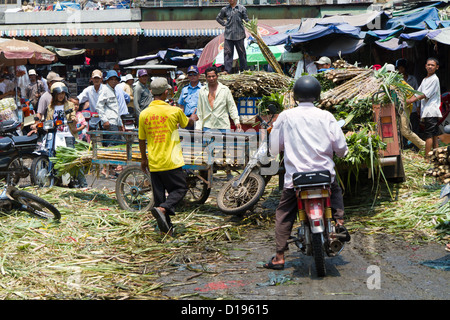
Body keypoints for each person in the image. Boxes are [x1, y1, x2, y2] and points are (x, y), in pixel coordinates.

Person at [264, 75, 349, 270]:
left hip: (296, 178)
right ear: (317, 95)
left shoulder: (286, 116)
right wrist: (341, 153)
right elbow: (342, 149)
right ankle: (339, 222)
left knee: (284, 213)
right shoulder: (326, 116)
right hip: (324, 176)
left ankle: (279, 257)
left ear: (296, 95)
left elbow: (275, 148)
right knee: (336, 192)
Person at [138, 77, 198, 235]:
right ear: (166, 92)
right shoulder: (174, 111)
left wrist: (144, 159)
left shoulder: (144, 114)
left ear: (151, 92)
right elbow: (187, 124)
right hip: (172, 161)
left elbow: (141, 139)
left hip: (155, 161)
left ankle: (166, 230)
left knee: (159, 197)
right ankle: (163, 209)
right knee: (180, 188)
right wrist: (192, 118)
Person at [384, 63, 425, 151]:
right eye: (386, 72)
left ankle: (424, 146)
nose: (388, 74)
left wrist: (406, 101)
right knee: (396, 130)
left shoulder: (399, 81)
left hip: (402, 109)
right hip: (392, 109)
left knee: (405, 131)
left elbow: (411, 92)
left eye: (389, 72)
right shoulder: (384, 82)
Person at [406, 58, 442, 158]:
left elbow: (424, 95)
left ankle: (427, 158)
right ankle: (436, 156)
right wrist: (408, 99)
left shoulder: (434, 79)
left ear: (437, 67)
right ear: (425, 66)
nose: (430, 67)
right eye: (428, 65)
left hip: (431, 111)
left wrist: (410, 101)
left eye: (432, 65)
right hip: (427, 111)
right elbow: (417, 93)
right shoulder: (425, 79)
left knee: (429, 135)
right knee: (434, 135)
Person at [216, 0, 249, 74]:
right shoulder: (224, 9)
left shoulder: (242, 8)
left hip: (239, 35)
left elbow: (246, 19)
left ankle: (244, 70)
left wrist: (252, 26)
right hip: (228, 35)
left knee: (242, 53)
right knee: (228, 53)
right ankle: (227, 70)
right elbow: (218, 18)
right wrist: (224, 23)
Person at [396, 58, 421, 139]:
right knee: (405, 127)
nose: (401, 70)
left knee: (414, 126)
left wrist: (418, 106)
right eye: (399, 68)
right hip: (403, 108)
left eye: (402, 68)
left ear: (405, 68)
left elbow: (417, 92)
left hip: (413, 107)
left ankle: (415, 146)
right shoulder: (397, 81)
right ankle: (406, 145)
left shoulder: (412, 79)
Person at [177, 65, 202, 130]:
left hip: (199, 119)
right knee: (187, 139)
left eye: (194, 74)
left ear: (198, 75)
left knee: (198, 139)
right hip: (187, 119)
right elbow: (181, 106)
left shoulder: (203, 89)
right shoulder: (184, 89)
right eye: (190, 74)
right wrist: (179, 120)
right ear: (188, 76)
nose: (192, 76)